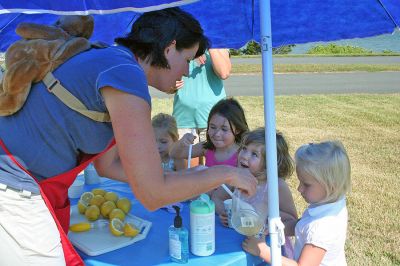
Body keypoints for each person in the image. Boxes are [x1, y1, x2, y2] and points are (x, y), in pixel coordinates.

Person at [0, 8, 257, 265]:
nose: (188, 72)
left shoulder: (112, 60)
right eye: (187, 59)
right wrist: (227, 173)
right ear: (169, 48)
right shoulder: (126, 74)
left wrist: (195, 176)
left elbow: (108, 166)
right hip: (12, 185)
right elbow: (152, 194)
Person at [242, 141, 351, 266]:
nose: (299, 189)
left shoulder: (321, 228)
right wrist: (276, 229)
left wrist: (262, 251)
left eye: (306, 184)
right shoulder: (331, 203)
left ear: (331, 186)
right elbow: (302, 225)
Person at [213, 128, 298, 258]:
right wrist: (224, 213)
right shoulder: (236, 177)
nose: (244, 156)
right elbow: (216, 198)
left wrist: (267, 218)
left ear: (269, 163)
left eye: (254, 154)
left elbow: (293, 224)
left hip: (268, 248)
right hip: (236, 242)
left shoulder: (276, 186)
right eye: (244, 148)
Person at [172, 48, 231, 165]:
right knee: (188, 175)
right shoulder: (180, 41)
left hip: (214, 120)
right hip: (184, 118)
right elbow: (166, 76)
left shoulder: (218, 43)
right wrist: (171, 85)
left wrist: (207, 43)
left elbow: (224, 72)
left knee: (213, 174)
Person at [170, 97, 249, 169]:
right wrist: (181, 143)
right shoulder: (206, 148)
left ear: (237, 130)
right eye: (213, 127)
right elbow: (174, 154)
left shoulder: (243, 153)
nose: (217, 134)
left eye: (224, 129)